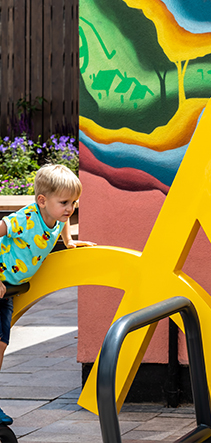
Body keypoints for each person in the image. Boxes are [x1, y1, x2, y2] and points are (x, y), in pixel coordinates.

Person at [0, 164, 96, 425]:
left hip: (8, 292)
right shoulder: (26, 218)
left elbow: (60, 226)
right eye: (64, 202)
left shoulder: (56, 218)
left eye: (74, 202)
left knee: (1, 346)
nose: (70, 209)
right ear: (42, 201)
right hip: (1, 281)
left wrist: (69, 242)